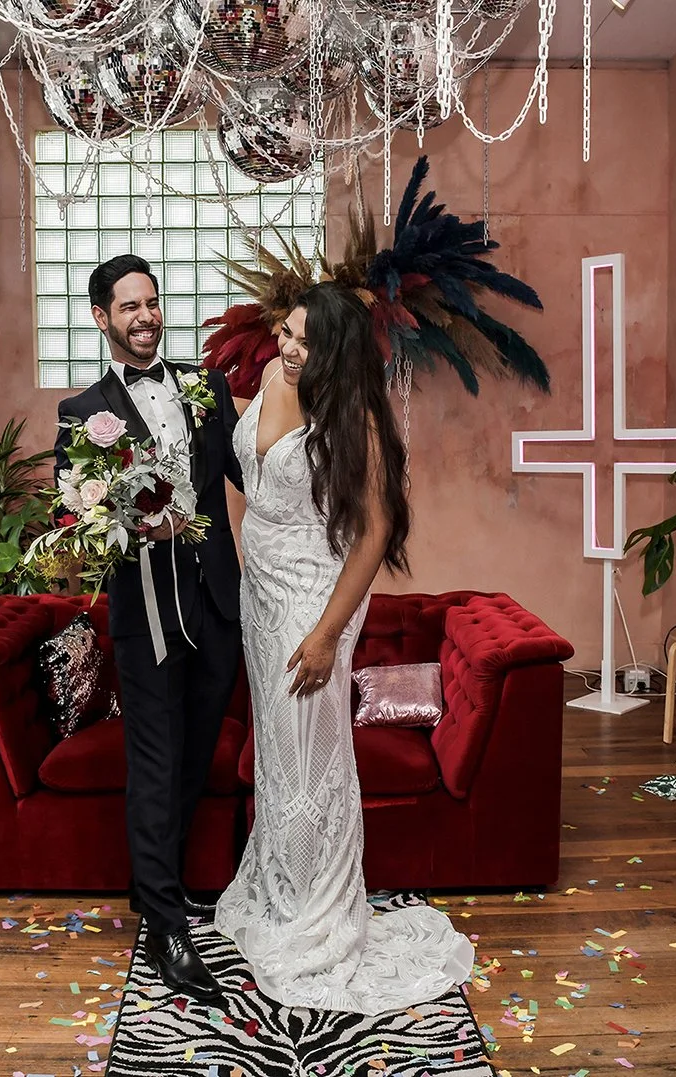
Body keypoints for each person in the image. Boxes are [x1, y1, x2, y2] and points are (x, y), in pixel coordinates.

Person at [213, 281, 476, 1013]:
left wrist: (328, 632)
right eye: (287, 333)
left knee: (309, 753)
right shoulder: (268, 376)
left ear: (337, 349)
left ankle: (316, 912)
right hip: (259, 592)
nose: (290, 349)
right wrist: (240, 554)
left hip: (313, 597)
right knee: (278, 748)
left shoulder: (352, 415)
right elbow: (248, 473)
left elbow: (375, 532)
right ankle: (281, 890)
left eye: (306, 340)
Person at [52, 255, 242, 1004]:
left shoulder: (207, 385)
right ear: (103, 318)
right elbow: (80, 513)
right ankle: (167, 926)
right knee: (156, 762)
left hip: (214, 603)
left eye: (153, 303)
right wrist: (133, 521)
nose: (145, 316)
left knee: (194, 757)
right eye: (129, 306)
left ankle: (155, 888)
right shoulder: (81, 412)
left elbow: (242, 467)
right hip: (144, 615)